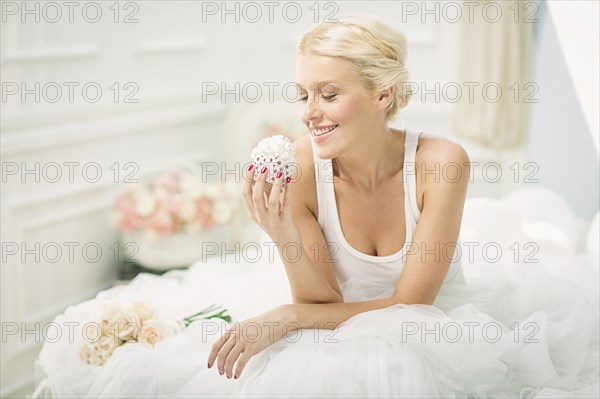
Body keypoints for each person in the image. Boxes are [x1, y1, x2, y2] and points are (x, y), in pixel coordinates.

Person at [33, 14, 598, 399]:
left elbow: (411, 307)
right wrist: (280, 232)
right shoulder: (302, 167)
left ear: (382, 94)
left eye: (329, 94)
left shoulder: (441, 162)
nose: (309, 112)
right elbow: (320, 297)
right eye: (303, 94)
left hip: (438, 334)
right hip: (333, 322)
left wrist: (290, 317)